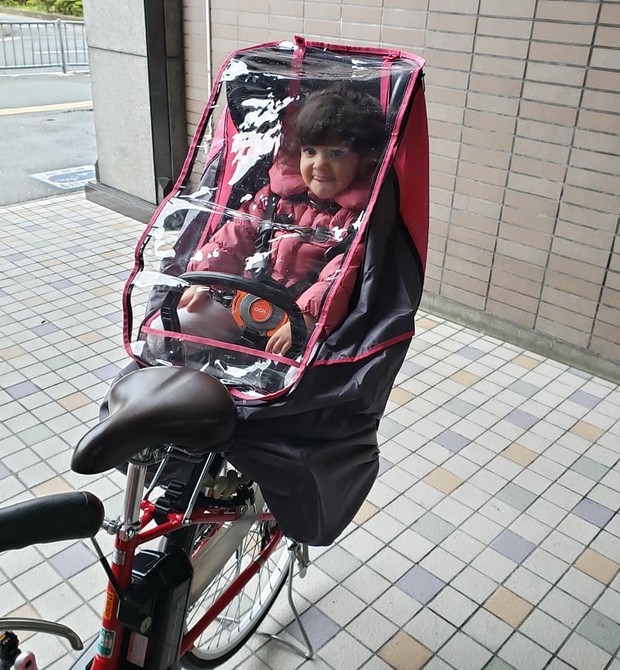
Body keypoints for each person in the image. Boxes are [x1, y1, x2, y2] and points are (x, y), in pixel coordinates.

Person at [177, 83, 387, 356]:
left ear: (361, 162)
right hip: (243, 302)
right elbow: (234, 235)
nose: (319, 164)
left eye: (336, 153)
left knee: (295, 379)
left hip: (299, 321)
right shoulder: (274, 199)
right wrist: (205, 276)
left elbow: (339, 275)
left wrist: (309, 316)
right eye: (310, 151)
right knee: (172, 329)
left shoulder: (354, 220)